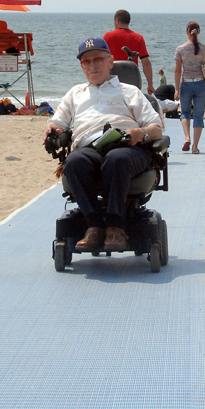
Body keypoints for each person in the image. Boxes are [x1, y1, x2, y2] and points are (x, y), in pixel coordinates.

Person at [43, 37, 163, 252]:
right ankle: (94, 226)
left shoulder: (129, 92)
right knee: (74, 161)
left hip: (128, 147)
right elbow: (58, 122)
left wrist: (140, 132)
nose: (92, 65)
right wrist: (53, 129)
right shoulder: (75, 93)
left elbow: (156, 128)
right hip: (90, 148)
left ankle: (116, 227)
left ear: (110, 61)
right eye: (86, 62)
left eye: (98, 59)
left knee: (116, 159)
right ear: (81, 67)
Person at [174, 21, 205, 154]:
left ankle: (187, 137)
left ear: (187, 31)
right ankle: (195, 147)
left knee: (185, 112)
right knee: (198, 115)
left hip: (186, 83)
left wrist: (177, 89)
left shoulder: (181, 49)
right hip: (201, 84)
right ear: (199, 32)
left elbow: (178, 71)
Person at [103, 9, 155, 94]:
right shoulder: (138, 38)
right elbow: (146, 63)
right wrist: (150, 84)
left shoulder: (108, 36)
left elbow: (102, 59)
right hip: (132, 80)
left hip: (112, 81)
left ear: (117, 21)